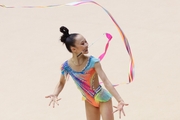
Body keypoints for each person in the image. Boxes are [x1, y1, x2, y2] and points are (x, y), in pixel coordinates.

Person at [45, 26, 128, 120]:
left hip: (102, 97)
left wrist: (120, 100)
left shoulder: (93, 62)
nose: (86, 45)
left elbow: (106, 81)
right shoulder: (66, 66)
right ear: (73, 49)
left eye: (86, 42)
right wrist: (55, 93)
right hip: (88, 100)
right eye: (82, 43)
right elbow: (61, 83)